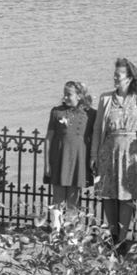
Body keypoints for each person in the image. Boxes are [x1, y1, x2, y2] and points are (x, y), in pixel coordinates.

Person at [91, 57, 137, 254]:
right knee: (108, 195)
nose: (114, 77)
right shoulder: (105, 99)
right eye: (114, 74)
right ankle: (113, 236)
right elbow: (98, 127)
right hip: (109, 151)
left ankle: (123, 239)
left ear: (129, 78)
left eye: (118, 75)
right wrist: (93, 155)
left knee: (127, 195)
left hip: (131, 152)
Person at [43, 80, 95, 229]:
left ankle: (71, 234)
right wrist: (47, 163)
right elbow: (49, 138)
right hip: (59, 158)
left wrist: (94, 159)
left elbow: (96, 137)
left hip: (79, 160)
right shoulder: (56, 111)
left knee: (74, 198)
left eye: (69, 94)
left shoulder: (91, 114)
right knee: (58, 197)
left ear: (79, 96)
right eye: (64, 94)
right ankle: (55, 231)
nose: (65, 97)